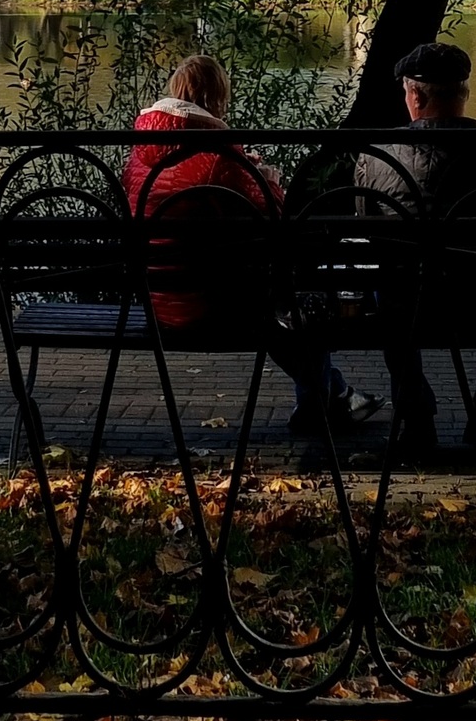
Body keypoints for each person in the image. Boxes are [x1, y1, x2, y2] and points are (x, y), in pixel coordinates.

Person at [124, 55, 380, 450]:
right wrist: (269, 180)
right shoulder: (219, 159)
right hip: (210, 305)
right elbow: (272, 221)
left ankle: (329, 398)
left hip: (160, 300)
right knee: (291, 307)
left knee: (278, 304)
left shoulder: (139, 157)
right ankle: (330, 397)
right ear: (217, 98)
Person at [362, 40, 476, 470]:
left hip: (408, 306)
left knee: (387, 293)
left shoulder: (380, 153)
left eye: (406, 93)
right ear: (463, 95)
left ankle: (416, 418)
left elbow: (368, 231)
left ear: (416, 96)